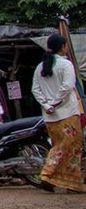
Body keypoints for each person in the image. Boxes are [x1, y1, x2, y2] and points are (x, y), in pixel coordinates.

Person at [31, 33, 84, 193]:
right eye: (66, 46)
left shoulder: (40, 67)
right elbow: (67, 87)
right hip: (67, 113)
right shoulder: (66, 65)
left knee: (60, 145)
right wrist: (54, 103)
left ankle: (69, 182)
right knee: (71, 148)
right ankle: (49, 175)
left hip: (50, 116)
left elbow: (35, 89)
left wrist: (47, 105)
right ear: (62, 47)